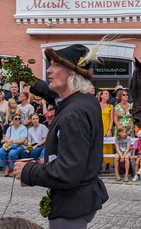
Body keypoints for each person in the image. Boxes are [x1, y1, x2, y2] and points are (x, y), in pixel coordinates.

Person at [13, 44, 108, 228]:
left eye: (55, 65)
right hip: (80, 197)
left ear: (72, 73)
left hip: (72, 203)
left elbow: (68, 171)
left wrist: (29, 171)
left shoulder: (74, 113)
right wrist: (30, 80)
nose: (48, 70)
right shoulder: (83, 100)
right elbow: (53, 96)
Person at [98, 90, 114, 174]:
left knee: (107, 146)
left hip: (107, 126)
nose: (107, 95)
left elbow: (111, 119)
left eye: (108, 94)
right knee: (98, 147)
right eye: (105, 94)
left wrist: (109, 129)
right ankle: (98, 165)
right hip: (98, 126)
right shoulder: (97, 105)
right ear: (101, 96)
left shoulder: (110, 106)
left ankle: (107, 166)